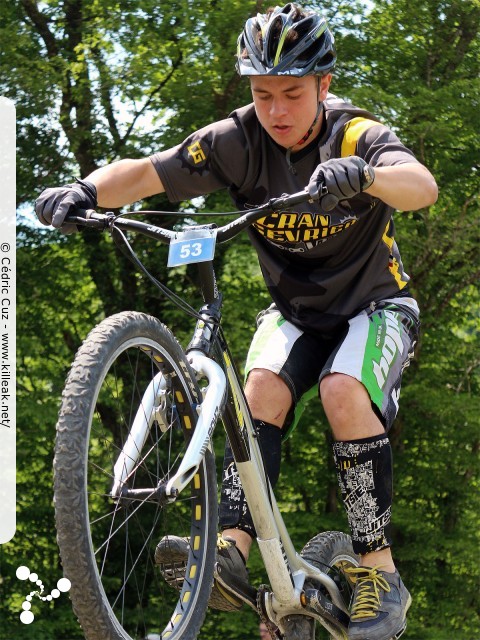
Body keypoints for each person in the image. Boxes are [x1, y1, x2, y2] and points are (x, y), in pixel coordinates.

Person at [35, 4, 438, 639]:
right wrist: (83, 189)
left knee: (342, 390)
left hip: (375, 306)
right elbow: (145, 174)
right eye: (262, 93)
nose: (277, 110)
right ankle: (227, 552)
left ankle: (380, 573)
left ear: (324, 86)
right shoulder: (236, 140)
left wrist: (366, 176)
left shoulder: (354, 134)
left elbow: (421, 186)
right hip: (296, 313)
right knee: (256, 394)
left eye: (293, 93)